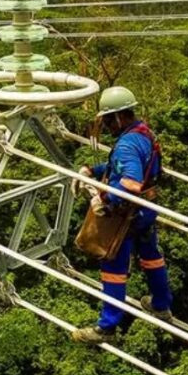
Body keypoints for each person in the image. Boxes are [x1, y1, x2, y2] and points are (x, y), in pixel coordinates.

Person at [72, 87, 174, 344]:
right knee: (151, 257)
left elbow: (129, 183)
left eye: (107, 120)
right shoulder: (143, 133)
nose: (106, 126)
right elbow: (123, 166)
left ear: (118, 117)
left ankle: (107, 327)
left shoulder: (127, 142)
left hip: (128, 214)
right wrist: (93, 170)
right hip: (147, 209)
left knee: (112, 265)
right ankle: (161, 305)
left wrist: (104, 199)